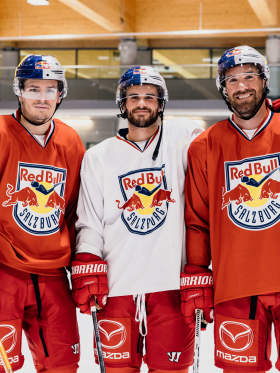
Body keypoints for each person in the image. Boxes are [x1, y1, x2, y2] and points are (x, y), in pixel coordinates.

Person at [71, 66, 203, 373]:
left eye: (149, 96)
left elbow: (227, 140)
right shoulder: (98, 157)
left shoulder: (183, 139)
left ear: (160, 103)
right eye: (133, 97)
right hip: (117, 289)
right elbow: (89, 220)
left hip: (169, 287)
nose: (141, 103)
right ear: (122, 102)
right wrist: (87, 259)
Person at [181, 45, 280, 373]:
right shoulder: (204, 146)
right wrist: (197, 273)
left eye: (249, 76)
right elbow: (197, 220)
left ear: (264, 80)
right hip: (235, 287)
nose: (241, 86)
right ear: (223, 89)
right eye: (232, 79)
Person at [0, 54, 85, 373]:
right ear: (19, 91)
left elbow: (76, 209)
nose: (42, 97)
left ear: (60, 94)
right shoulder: (1, 133)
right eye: (34, 89)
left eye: (50, 90)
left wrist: (84, 260)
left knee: (63, 364)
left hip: (53, 274)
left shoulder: (70, 141)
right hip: (4, 270)